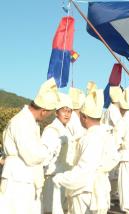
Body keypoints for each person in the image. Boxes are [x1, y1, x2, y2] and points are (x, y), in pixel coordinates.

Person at [53, 86, 119, 214]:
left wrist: (61, 178)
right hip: (101, 188)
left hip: (86, 191)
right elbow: (115, 158)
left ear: (83, 117)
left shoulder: (90, 138)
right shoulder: (107, 134)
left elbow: (84, 170)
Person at [0, 78, 60, 214]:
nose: (46, 118)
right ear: (43, 110)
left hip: (23, 178)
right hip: (18, 179)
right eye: (48, 114)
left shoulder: (29, 122)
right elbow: (32, 156)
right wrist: (47, 147)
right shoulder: (22, 122)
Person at [41, 92, 73, 214]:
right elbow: (44, 157)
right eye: (64, 110)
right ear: (56, 112)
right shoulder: (51, 130)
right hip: (52, 179)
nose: (67, 114)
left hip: (64, 178)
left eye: (69, 111)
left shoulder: (66, 130)